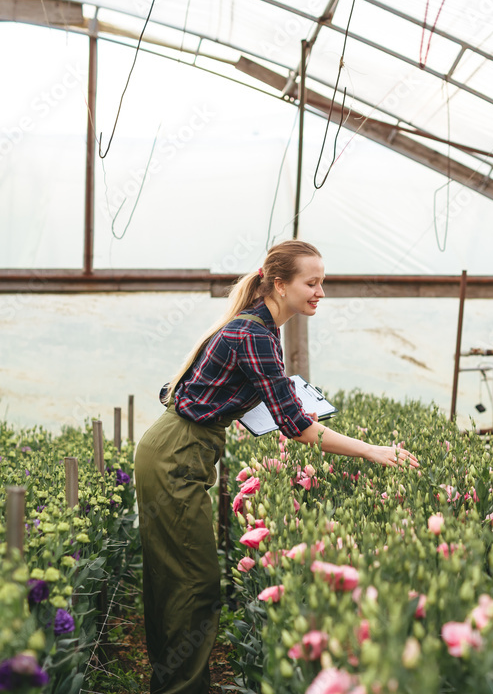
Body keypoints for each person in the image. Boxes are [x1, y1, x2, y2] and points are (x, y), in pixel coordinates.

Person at [134, 239, 418, 694]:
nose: (320, 291)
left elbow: (219, 394)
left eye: (322, 282)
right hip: (178, 453)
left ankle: (179, 684)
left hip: (179, 447)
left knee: (178, 578)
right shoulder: (256, 334)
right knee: (194, 584)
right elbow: (297, 428)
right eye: (312, 282)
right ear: (280, 284)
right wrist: (371, 450)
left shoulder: (257, 329)